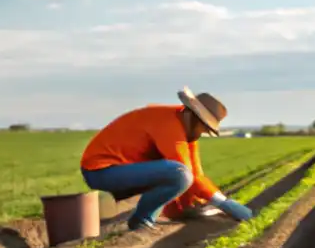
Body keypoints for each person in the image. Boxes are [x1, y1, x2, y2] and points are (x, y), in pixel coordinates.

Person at [80, 87, 254, 231]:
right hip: (102, 170)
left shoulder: (187, 131)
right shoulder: (168, 124)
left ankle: (179, 211)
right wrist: (223, 202)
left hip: (127, 169)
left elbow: (197, 175)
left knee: (182, 174)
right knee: (179, 174)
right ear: (192, 115)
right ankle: (141, 220)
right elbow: (183, 173)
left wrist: (203, 202)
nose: (202, 133)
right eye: (204, 127)